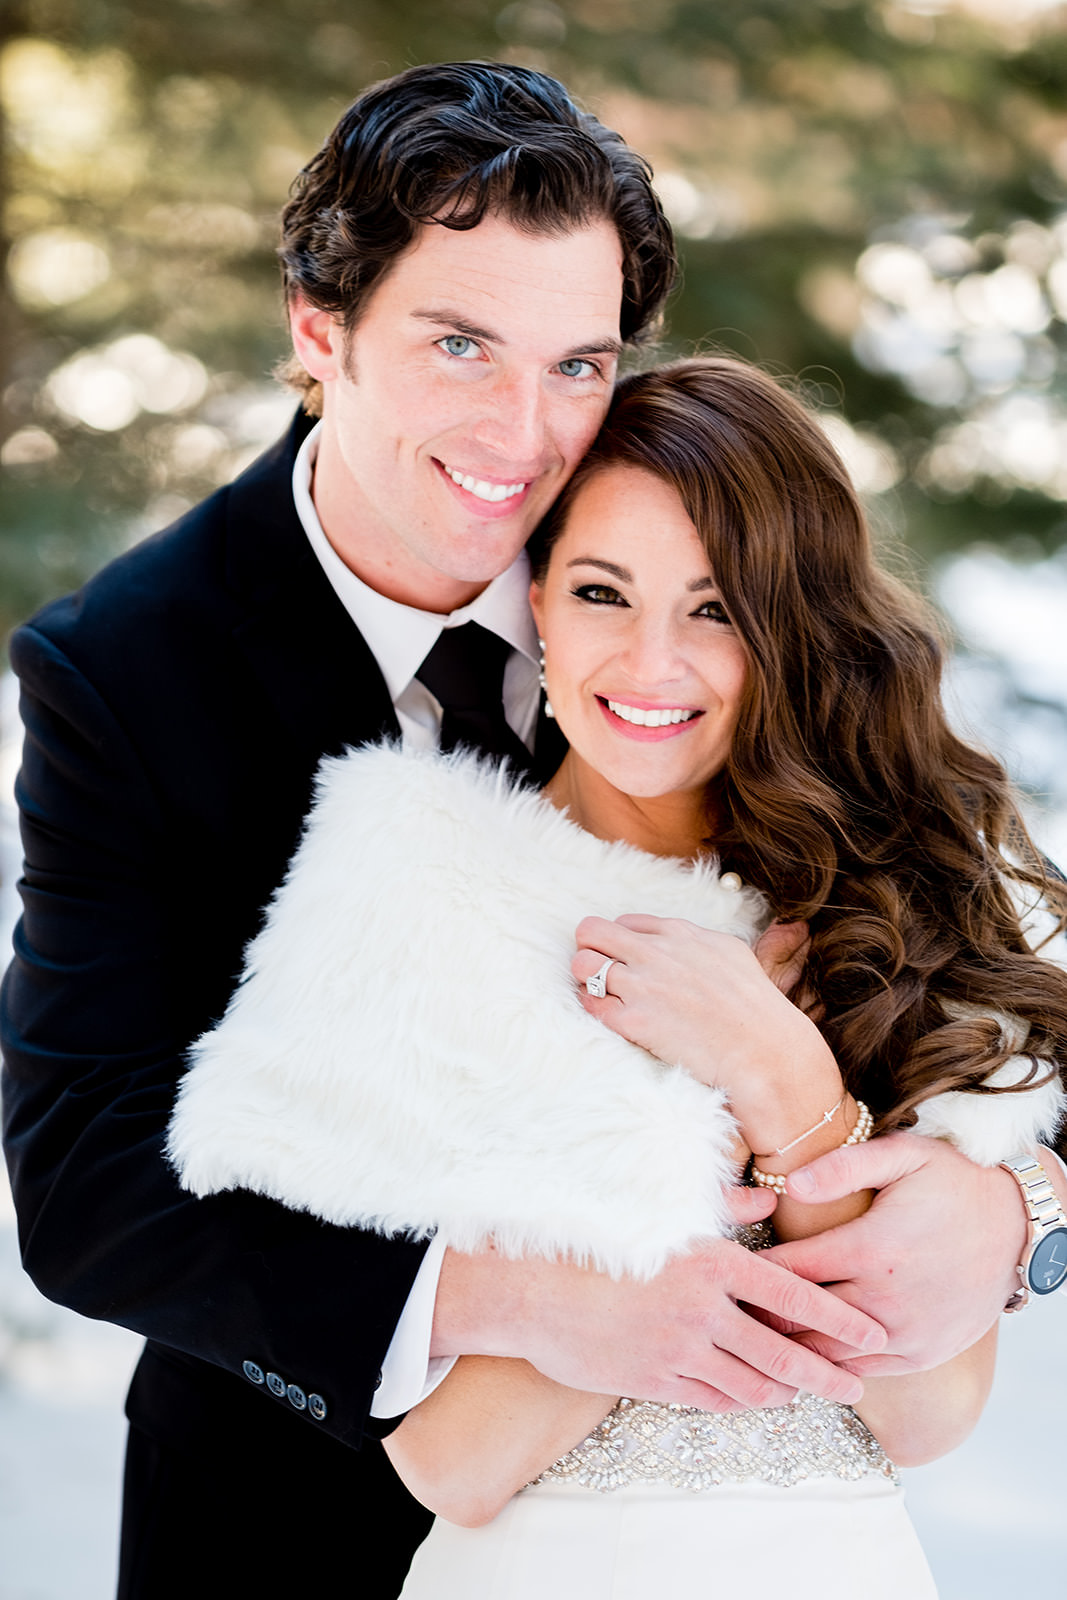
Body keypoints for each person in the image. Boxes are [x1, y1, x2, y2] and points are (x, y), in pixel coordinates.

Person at [0, 58, 1062, 1600]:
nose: (522, 430)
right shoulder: (132, 668)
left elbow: (970, 995)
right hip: (292, 1505)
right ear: (318, 332)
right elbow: (89, 1179)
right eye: (457, 345)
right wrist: (523, 1300)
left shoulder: (660, 569)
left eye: (576, 361)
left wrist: (1016, 1205)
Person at [166, 357, 1067, 1598]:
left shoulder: (892, 908)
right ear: (534, 597)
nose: (649, 662)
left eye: (714, 609)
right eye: (601, 592)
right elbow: (454, 1461)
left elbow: (923, 1409)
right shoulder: (419, 882)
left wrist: (780, 1073)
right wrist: (701, 1140)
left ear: (791, 627)